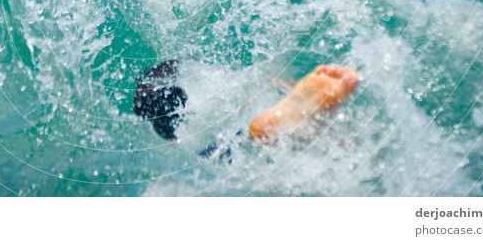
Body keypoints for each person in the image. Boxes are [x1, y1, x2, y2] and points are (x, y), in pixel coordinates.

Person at [133, 60, 359, 145]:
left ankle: (264, 129)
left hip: (198, 136)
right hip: (224, 91)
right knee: (254, 90)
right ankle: (285, 96)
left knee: (230, 147)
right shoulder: (198, 75)